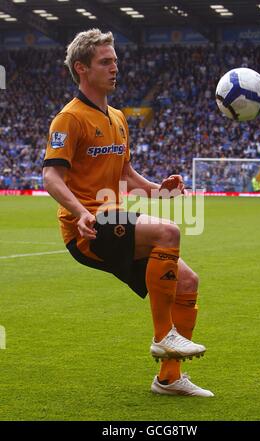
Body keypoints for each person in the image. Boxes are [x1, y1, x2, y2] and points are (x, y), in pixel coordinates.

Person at [43, 28, 213, 397]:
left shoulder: (118, 117)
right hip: (86, 227)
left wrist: (159, 192)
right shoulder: (68, 119)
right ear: (82, 69)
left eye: (115, 61)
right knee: (168, 233)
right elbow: (51, 177)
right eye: (105, 62)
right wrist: (79, 212)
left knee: (188, 283)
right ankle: (162, 337)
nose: (114, 68)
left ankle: (168, 378)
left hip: (114, 220)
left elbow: (125, 177)